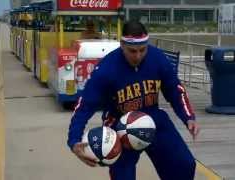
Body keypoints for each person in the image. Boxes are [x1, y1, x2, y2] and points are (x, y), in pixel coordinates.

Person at [67, 20, 200, 180]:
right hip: (120, 124)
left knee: (184, 165)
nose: (138, 56)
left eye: (142, 50)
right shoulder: (106, 69)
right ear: (122, 44)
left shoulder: (157, 58)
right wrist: (74, 141)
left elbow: (175, 90)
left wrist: (188, 117)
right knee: (122, 176)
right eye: (132, 51)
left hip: (153, 117)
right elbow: (84, 106)